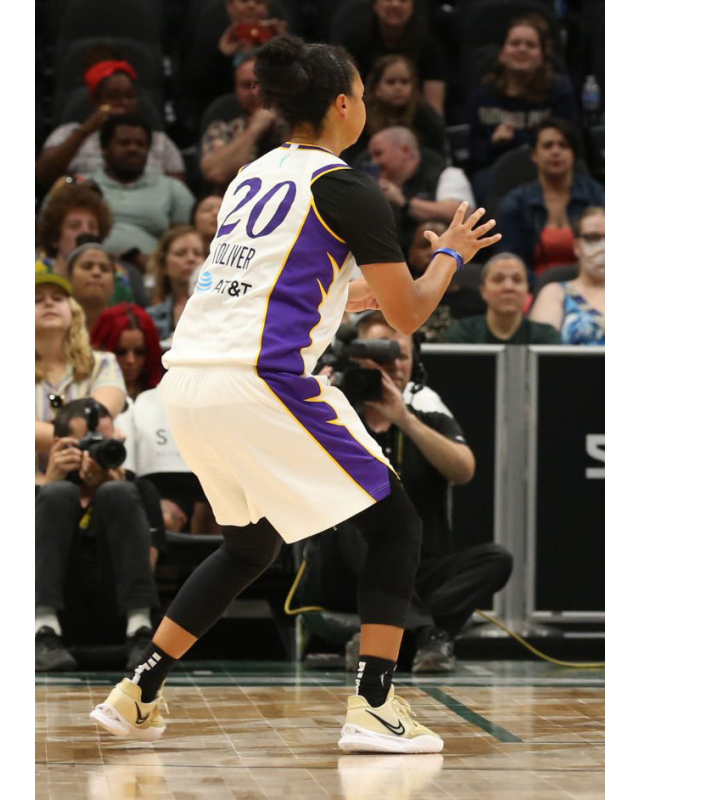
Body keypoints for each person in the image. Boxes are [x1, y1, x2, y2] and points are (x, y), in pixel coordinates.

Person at [89, 33, 500, 753]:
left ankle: (138, 689)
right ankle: (375, 704)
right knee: (396, 526)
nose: (365, 106)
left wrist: (399, 282)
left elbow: (308, 288)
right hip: (262, 378)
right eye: (363, 95)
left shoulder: (254, 175)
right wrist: (449, 257)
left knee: (249, 546)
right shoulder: (346, 186)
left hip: (189, 380)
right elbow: (408, 313)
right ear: (343, 105)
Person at [302, 311, 512, 672]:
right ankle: (427, 634)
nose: (393, 365)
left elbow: (463, 470)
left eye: (401, 355)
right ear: (357, 357)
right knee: (357, 521)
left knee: (496, 559)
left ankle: (407, 635)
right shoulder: (335, 412)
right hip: (347, 572)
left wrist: (404, 419)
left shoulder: (425, 414)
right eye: (380, 354)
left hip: (418, 569)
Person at [35, 399, 161, 673]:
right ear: (58, 445)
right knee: (57, 493)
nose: (93, 453)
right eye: (85, 445)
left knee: (117, 492)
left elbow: (148, 567)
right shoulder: (40, 495)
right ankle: (42, 630)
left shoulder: (139, 491)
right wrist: (48, 485)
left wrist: (121, 493)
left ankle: (140, 629)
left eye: (103, 443)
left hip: (119, 611)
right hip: (61, 613)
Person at [36, 54, 185, 185]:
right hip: (85, 200)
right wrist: (84, 132)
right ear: (96, 100)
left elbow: (176, 190)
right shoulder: (68, 132)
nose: (124, 103)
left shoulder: (160, 141)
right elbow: (42, 175)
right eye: (114, 96)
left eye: (130, 96)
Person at [35, 270, 127, 480]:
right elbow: (96, 430)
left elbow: (100, 417)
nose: (48, 303)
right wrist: (94, 438)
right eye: (37, 300)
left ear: (73, 312)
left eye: (58, 298)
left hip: (93, 479)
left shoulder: (103, 363)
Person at [465, 13, 579, 176]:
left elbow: (569, 144)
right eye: (515, 43)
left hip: (546, 171)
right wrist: (494, 143)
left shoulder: (559, 92)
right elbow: (472, 150)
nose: (522, 49)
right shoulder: (482, 94)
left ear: (542, 56)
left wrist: (514, 139)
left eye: (531, 45)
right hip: (494, 171)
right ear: (501, 53)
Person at [496, 118, 605, 277]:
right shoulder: (516, 203)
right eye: (548, 145)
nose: (555, 151)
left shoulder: (596, 195)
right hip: (533, 288)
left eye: (563, 145)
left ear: (573, 154)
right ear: (534, 154)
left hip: (593, 284)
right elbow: (511, 262)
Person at [88, 114, 195, 267]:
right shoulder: (83, 186)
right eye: (124, 143)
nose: (133, 149)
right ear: (104, 148)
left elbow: (186, 243)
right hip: (88, 268)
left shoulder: (173, 189)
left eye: (140, 144)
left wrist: (154, 263)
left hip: (151, 272)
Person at [367, 126, 475, 252]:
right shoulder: (372, 184)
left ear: (405, 150)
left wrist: (404, 203)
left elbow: (461, 213)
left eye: (378, 154)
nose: (373, 162)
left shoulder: (447, 175)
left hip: (442, 255)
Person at [335, 0, 447, 115]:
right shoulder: (354, 44)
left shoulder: (429, 47)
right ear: (375, 4)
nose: (395, 4)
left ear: (412, 6)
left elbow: (435, 107)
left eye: (403, 0)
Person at [200, 54, 287, 189]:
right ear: (236, 90)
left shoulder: (297, 123)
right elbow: (215, 173)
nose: (255, 93)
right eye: (246, 86)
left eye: (261, 84)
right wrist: (254, 130)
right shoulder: (223, 128)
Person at [184, 0, 289, 109]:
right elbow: (195, 86)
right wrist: (221, 54)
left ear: (267, 8)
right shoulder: (214, 32)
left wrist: (283, 49)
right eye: (244, 1)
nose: (251, 6)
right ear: (229, 6)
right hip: (223, 105)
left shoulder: (277, 36)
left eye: (259, 2)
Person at [343, 54, 446, 162]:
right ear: (376, 87)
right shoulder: (360, 117)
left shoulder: (426, 116)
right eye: (391, 82)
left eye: (404, 82)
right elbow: (352, 159)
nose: (398, 88)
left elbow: (437, 159)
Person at [443, 253, 559, 344]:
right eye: (498, 279)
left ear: (527, 290)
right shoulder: (462, 333)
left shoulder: (546, 336)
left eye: (517, 280)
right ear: (483, 291)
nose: (508, 287)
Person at [530, 207, 605, 345]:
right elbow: (540, 350)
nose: (603, 246)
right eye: (593, 238)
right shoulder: (555, 293)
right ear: (577, 246)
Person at [408, 220, 486, 342]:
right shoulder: (400, 295)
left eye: (443, 247)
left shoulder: (476, 301)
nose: (432, 252)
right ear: (411, 254)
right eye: (424, 245)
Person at [36, 183, 113, 278]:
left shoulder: (114, 276)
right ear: (55, 238)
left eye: (92, 226)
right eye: (74, 226)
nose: (86, 231)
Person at [91, 304, 165, 399]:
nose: (130, 360)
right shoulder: (88, 393)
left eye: (139, 352)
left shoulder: (162, 394)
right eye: (121, 352)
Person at [146, 225, 207, 340]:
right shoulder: (150, 318)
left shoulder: (220, 311)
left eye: (197, 253)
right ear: (164, 264)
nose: (191, 259)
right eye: (180, 253)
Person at [66, 241, 117, 332]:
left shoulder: (123, 329)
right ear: (70, 278)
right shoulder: (51, 324)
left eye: (104, 269)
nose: (96, 272)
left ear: (113, 285)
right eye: (87, 267)